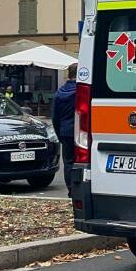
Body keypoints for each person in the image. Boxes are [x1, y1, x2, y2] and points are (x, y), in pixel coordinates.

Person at [51, 63, 78, 195]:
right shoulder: (81, 91)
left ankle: (71, 190)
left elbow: (54, 117)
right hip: (80, 132)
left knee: (68, 163)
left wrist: (59, 134)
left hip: (65, 132)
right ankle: (80, 188)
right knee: (82, 162)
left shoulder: (59, 92)